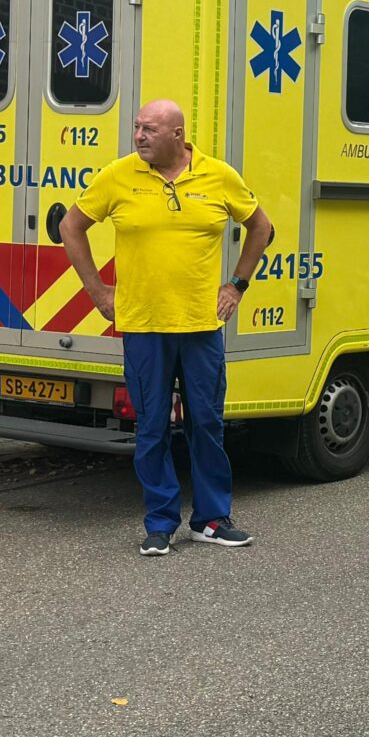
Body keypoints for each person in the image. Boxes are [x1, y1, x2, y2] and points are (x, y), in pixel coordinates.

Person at [60, 98, 275, 556]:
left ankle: (211, 519)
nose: (138, 136)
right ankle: (159, 523)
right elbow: (71, 227)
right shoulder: (118, 175)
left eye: (149, 129)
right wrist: (97, 291)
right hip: (143, 325)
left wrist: (237, 284)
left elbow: (261, 226)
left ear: (177, 135)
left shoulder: (218, 176)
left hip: (200, 326)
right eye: (137, 128)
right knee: (152, 427)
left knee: (207, 424)